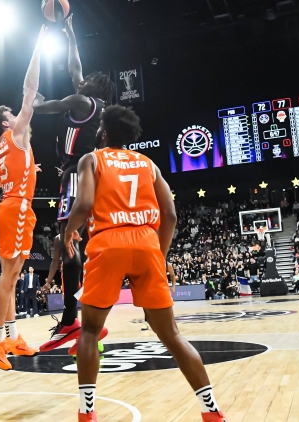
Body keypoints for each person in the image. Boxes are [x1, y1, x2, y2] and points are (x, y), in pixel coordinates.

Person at [63, 105, 227, 422]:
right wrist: (159, 255)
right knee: (173, 335)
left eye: (99, 127)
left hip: (108, 243)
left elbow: (84, 203)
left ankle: (87, 413)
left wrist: (69, 230)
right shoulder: (148, 164)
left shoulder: (91, 159)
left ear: (105, 132)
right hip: (147, 243)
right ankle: (212, 411)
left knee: (90, 331)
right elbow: (171, 215)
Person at [34, 15, 115, 353]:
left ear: (93, 88)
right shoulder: (96, 105)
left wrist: (32, 101)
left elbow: (44, 107)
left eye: (87, 80)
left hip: (76, 174)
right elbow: (75, 68)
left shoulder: (81, 102)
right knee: (75, 242)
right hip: (92, 175)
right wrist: (71, 35)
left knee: (67, 239)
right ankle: (90, 319)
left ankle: (70, 319)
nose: (81, 80)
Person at [0, 25, 48, 371]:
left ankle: (12, 337)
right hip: (17, 207)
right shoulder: (17, 134)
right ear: (8, 123)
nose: (17, 115)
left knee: (12, 275)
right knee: (9, 277)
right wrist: (38, 46)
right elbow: (29, 90)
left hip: (8, 204)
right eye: (12, 114)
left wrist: (26, 169)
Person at [142, 261, 176, 331]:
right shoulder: (152, 263)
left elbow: (172, 275)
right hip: (152, 288)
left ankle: (170, 324)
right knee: (147, 306)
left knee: (167, 307)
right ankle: (146, 323)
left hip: (163, 289)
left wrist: (173, 287)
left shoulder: (168, 265)